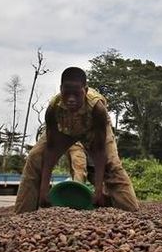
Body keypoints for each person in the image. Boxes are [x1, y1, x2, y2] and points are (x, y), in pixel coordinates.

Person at [14, 67, 139, 213]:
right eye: (67, 93)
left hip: (92, 128)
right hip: (65, 128)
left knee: (112, 165)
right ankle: (23, 213)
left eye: (76, 94)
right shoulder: (53, 109)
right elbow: (51, 149)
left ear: (85, 91)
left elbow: (99, 151)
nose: (71, 99)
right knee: (35, 157)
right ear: (61, 89)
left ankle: (129, 211)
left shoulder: (97, 109)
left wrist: (98, 190)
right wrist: (43, 190)